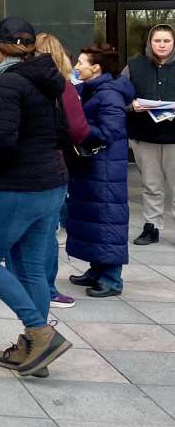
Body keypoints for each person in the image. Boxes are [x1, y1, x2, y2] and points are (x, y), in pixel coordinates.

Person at [0, 17, 71, 378]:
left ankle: (40, 332)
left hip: (17, 187)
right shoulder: (47, 78)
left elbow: (0, 140)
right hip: (51, 184)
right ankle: (35, 350)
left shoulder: (7, 81)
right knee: (31, 270)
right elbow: (63, 130)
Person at [67, 44, 134, 298]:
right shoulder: (91, 90)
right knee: (94, 216)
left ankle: (111, 278)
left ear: (96, 68)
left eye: (81, 63)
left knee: (107, 219)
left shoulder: (109, 95)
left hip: (105, 168)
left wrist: (81, 131)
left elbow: (110, 131)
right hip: (93, 165)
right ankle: (96, 270)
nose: (76, 66)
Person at [33, 33, 91, 310]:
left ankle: (21, 280)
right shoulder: (64, 88)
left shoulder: (13, 81)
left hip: (15, 165)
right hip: (51, 164)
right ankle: (46, 288)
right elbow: (79, 130)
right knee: (46, 228)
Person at [122, 24, 175, 246]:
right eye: (157, 41)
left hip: (174, 137)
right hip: (145, 136)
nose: (162, 45)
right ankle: (151, 227)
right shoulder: (134, 67)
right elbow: (119, 97)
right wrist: (131, 106)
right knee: (151, 185)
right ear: (149, 43)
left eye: (166, 41)